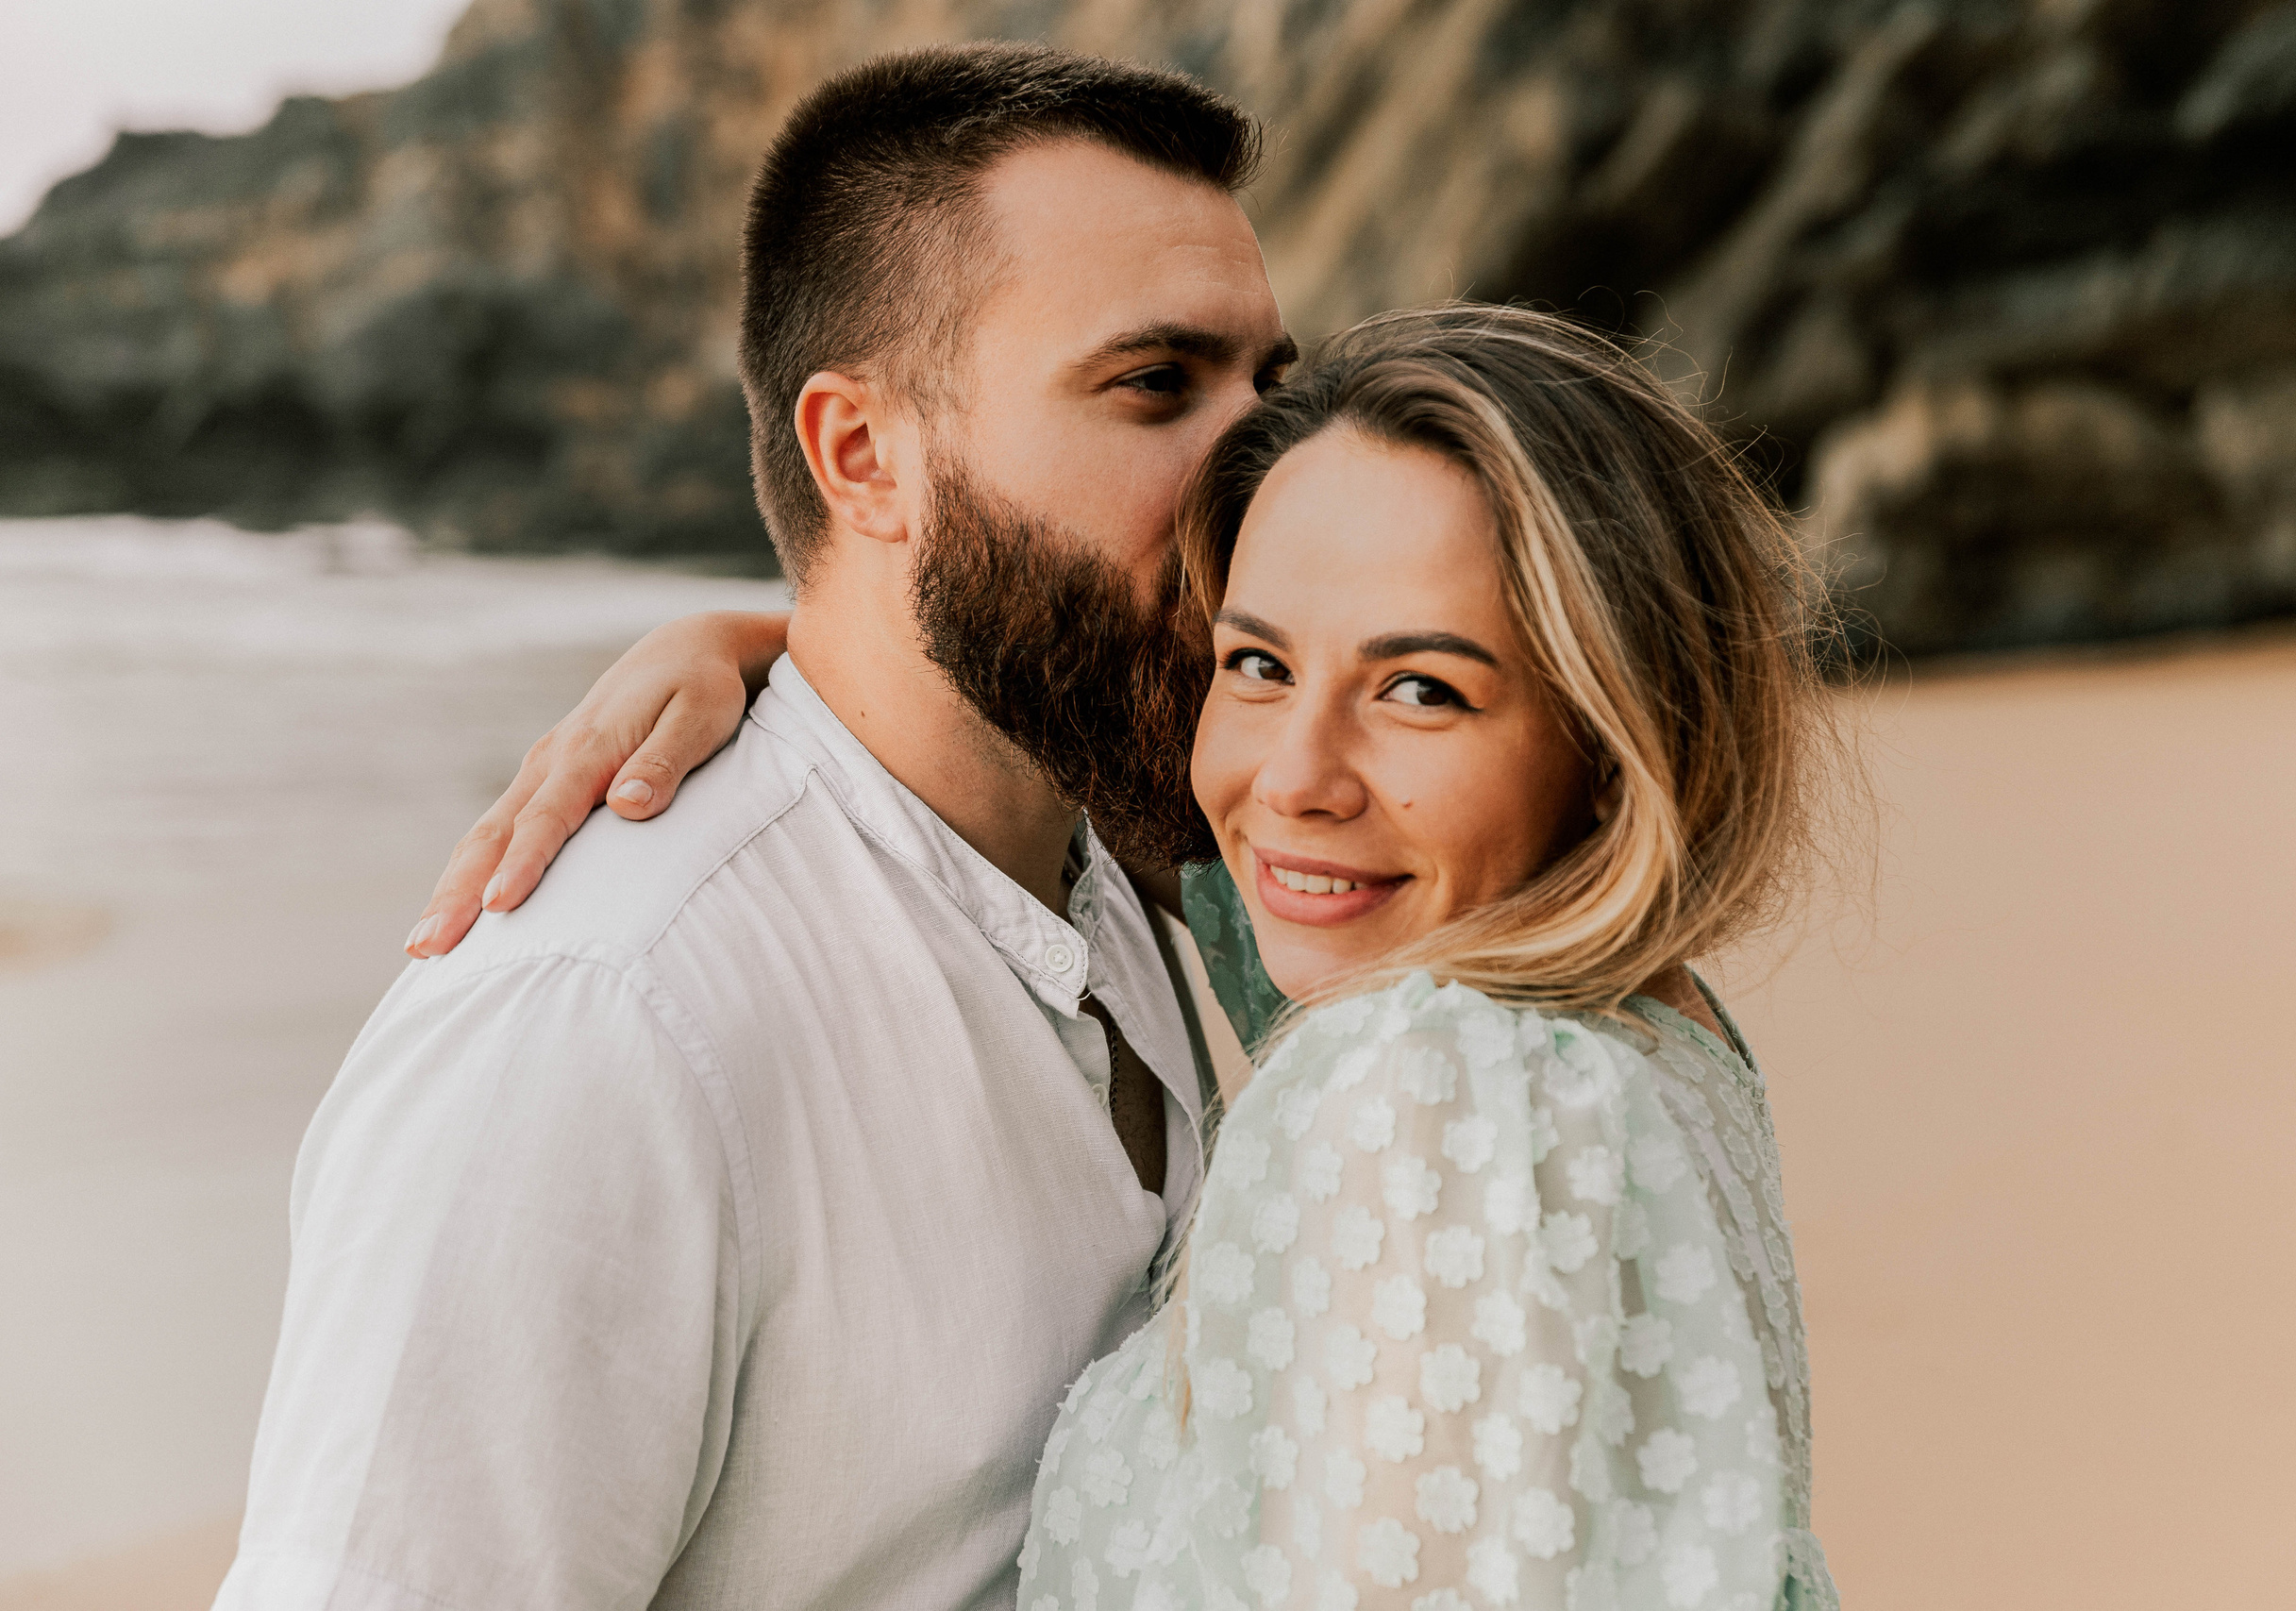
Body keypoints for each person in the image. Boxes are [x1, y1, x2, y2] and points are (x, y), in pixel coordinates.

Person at [419, 306, 1845, 1608]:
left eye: (1424, 689)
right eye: (1258, 663)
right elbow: (1180, 821)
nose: (1297, 779)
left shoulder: (1434, 1085)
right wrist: (790, 655)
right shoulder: (1629, 1028)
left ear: (1615, 737)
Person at [218, 44, 1296, 1611]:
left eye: (1273, 382)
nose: (1263, 466)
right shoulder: (606, 1022)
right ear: (865, 455)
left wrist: (769, 640)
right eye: (1156, 386)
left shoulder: (1136, 841)